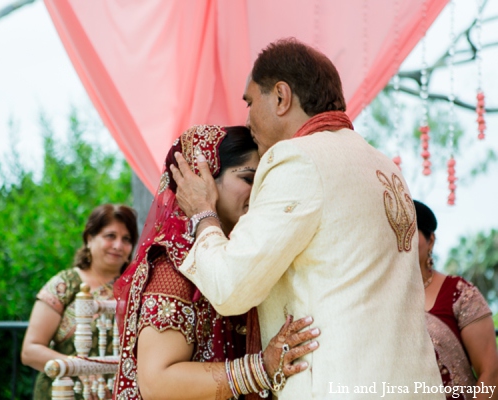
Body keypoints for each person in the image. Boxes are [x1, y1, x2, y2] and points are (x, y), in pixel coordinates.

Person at [170, 38, 443, 399]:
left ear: (281, 97)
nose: (247, 119)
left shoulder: (297, 159)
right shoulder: (382, 164)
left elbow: (231, 288)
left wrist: (204, 215)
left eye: (251, 102)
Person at [113, 125, 320, 400]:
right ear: (201, 179)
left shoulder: (241, 253)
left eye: (264, 183)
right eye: (248, 179)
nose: (259, 193)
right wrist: (261, 368)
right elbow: (157, 381)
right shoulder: (175, 264)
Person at [21, 204, 139, 399]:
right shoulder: (65, 283)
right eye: (110, 236)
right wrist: (81, 368)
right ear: (89, 238)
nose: (118, 245)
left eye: (126, 239)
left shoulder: (136, 289)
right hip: (63, 392)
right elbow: (30, 351)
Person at [415, 200, 498, 400]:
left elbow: (491, 373)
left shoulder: (459, 293)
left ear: (431, 240)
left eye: (410, 230)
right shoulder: (377, 298)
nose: (402, 239)